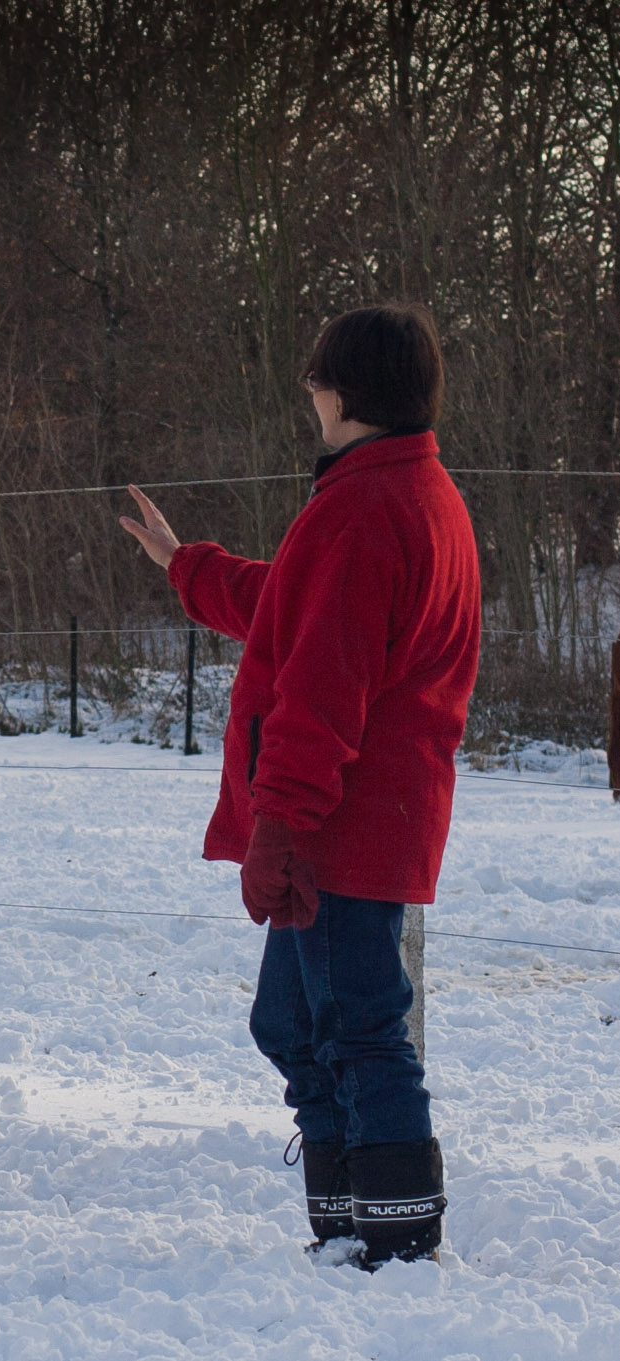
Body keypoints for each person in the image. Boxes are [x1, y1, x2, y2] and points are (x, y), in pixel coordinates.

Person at [118, 304, 480, 1267]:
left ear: (346, 390)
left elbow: (319, 697)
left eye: (317, 377)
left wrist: (278, 830)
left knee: (359, 1029)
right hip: (364, 820)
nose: (309, 392)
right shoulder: (403, 491)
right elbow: (293, 609)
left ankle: (394, 1240)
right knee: (287, 1021)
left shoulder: (367, 510)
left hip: (341, 829)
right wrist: (181, 563)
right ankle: (343, 1215)